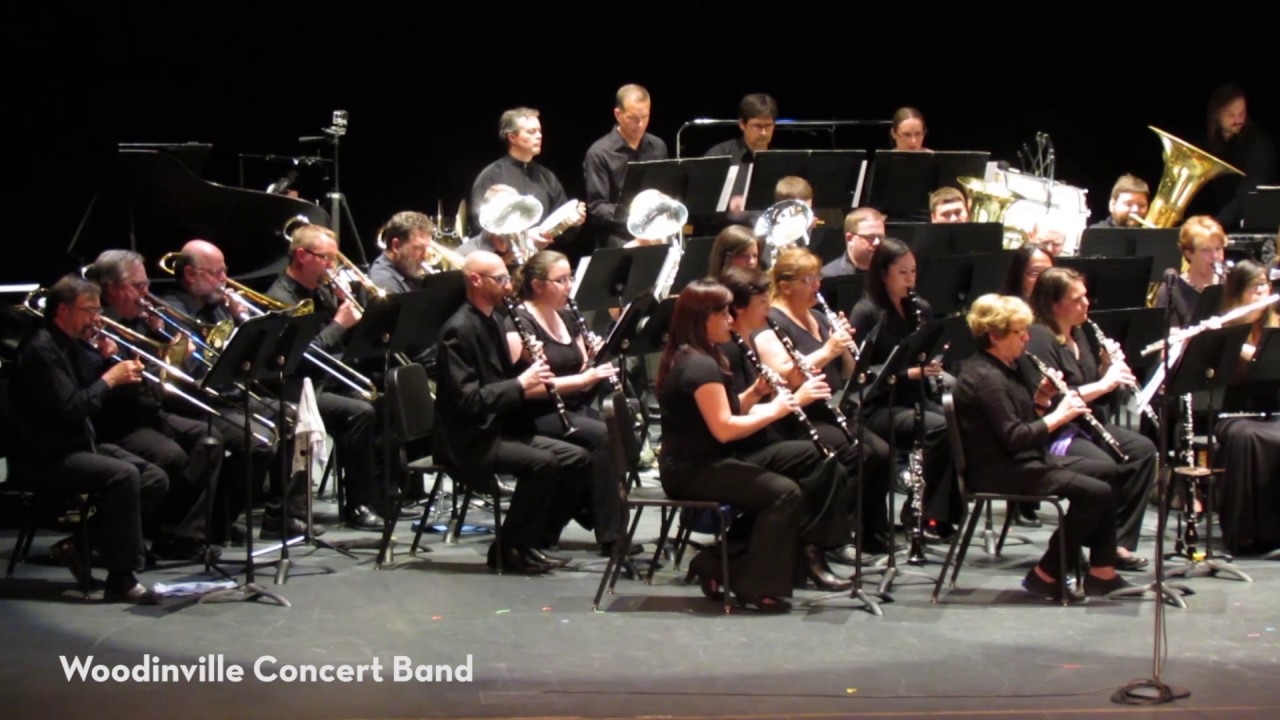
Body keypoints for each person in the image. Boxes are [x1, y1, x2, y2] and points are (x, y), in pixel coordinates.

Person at [954, 293, 1130, 600]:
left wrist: (1042, 401)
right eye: (1019, 332)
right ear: (994, 335)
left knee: (1108, 471)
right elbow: (1014, 437)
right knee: (1095, 493)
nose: (1026, 338)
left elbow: (1022, 422)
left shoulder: (1010, 366)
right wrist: (1060, 416)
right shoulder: (984, 377)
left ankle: (1102, 571)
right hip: (999, 469)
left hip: (1023, 460)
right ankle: (1046, 573)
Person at [656, 279, 812, 612]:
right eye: (723, 313)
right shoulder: (700, 366)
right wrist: (779, 409)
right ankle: (752, 584)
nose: (730, 320)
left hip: (701, 462)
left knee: (795, 478)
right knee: (784, 493)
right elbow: (725, 429)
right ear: (704, 319)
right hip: (692, 470)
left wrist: (755, 394)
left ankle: (717, 565)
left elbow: (722, 411)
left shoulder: (697, 356)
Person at [10, 275, 168, 603]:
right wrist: (110, 378)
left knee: (154, 477)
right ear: (63, 310)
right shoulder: (41, 349)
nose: (97, 318)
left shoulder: (73, 345)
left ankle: (81, 546)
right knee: (124, 475)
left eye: (98, 310)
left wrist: (107, 359)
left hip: (79, 443)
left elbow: (92, 391)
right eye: (89, 311)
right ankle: (121, 578)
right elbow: (72, 408)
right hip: (47, 454)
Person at [434, 251, 591, 573]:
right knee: (542, 463)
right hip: (468, 439)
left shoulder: (492, 319)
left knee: (577, 458)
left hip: (496, 428)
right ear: (476, 280)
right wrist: (521, 383)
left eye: (508, 277)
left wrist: (529, 369)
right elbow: (468, 401)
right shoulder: (458, 330)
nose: (508, 286)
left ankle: (532, 541)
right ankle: (507, 549)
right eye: (500, 279)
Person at [723, 265, 889, 563]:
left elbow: (851, 374)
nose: (767, 309)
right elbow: (732, 412)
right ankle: (820, 544)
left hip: (783, 420)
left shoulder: (753, 338)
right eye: (808, 278)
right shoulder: (739, 345)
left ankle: (851, 534)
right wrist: (789, 394)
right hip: (761, 434)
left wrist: (843, 346)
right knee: (831, 460)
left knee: (873, 451)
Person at [87, 250, 222, 560]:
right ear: (111, 288)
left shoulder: (141, 322)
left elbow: (158, 383)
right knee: (171, 456)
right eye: (137, 286)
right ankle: (154, 530)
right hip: (114, 422)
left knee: (209, 439)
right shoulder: (95, 324)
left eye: (146, 284)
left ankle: (186, 535)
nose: (145, 293)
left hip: (149, 412)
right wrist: (105, 361)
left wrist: (161, 341)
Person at [1025, 268, 1157, 570]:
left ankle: (1119, 543)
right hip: (1057, 431)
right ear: (1054, 304)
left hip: (1086, 424)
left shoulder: (1080, 333)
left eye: (1086, 296)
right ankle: (1096, 545)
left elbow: (1095, 393)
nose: (1086, 304)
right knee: (1105, 465)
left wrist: (1106, 368)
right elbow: (1056, 398)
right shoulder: (1040, 339)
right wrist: (1103, 383)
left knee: (1142, 451)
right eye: (1077, 299)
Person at [164, 239, 292, 544]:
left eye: (224, 271)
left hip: (229, 395)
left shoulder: (219, 309)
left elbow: (245, 361)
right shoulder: (172, 309)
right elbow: (189, 374)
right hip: (196, 403)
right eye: (215, 272)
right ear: (191, 276)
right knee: (259, 443)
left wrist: (240, 320)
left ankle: (271, 515)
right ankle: (220, 517)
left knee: (289, 417)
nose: (224, 279)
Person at [267, 224, 385, 533]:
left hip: (327, 380)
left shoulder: (321, 290)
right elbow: (301, 354)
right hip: (297, 386)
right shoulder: (280, 297)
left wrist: (353, 299)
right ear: (303, 256)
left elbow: (350, 336)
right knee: (359, 413)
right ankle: (351, 505)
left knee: (382, 402)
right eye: (327, 258)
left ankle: (378, 495)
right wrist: (338, 323)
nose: (332, 266)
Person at [507, 251, 620, 554]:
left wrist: (596, 359)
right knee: (604, 438)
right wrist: (584, 380)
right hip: (535, 411)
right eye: (561, 280)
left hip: (570, 406)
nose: (569, 286)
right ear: (537, 284)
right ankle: (611, 533)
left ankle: (579, 510)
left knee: (621, 424)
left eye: (570, 277)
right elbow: (530, 387)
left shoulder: (569, 315)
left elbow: (581, 367)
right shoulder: (519, 322)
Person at [847, 239, 961, 539]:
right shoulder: (866, 312)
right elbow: (862, 373)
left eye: (913, 272)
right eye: (902, 273)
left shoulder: (919, 308)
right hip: (878, 405)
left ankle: (929, 510)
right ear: (883, 273)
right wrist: (910, 372)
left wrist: (932, 363)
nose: (911, 280)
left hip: (914, 397)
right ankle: (920, 510)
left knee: (958, 421)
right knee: (938, 427)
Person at [1213, 261, 1280, 554]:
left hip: (1272, 410)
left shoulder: (1275, 325)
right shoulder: (1225, 328)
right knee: (1248, 439)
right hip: (1235, 414)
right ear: (1239, 293)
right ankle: (1248, 535)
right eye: (1255, 287)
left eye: (1265, 285)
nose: (1263, 291)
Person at [469, 108, 585, 252]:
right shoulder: (491, 176)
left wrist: (573, 221)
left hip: (543, 259)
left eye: (539, 131)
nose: (539, 136)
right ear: (512, 137)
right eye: (531, 132)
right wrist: (526, 237)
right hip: (505, 262)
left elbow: (562, 229)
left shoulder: (546, 176)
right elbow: (482, 228)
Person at [583, 84, 668, 249]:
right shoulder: (599, 153)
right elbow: (597, 207)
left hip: (656, 231)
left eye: (645, 117)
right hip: (619, 236)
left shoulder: (658, 146)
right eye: (633, 118)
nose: (640, 124)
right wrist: (635, 216)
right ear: (618, 114)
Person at [1201, 83, 1276, 230]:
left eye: (1242, 113)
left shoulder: (1257, 143)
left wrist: (1218, 221)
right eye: (1231, 114)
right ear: (1217, 114)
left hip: (1243, 225)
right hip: (1211, 223)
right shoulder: (1205, 141)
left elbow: (1249, 192)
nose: (1238, 120)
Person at [704, 93, 778, 216]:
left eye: (768, 126)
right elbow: (703, 197)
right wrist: (729, 203)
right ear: (742, 124)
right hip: (728, 230)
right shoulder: (720, 154)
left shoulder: (779, 160)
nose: (764, 133)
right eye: (757, 126)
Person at [1154, 215, 1226, 329]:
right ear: (1188, 253)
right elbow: (1169, 340)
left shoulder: (1230, 284)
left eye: (1218, 248)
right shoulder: (1171, 291)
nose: (1215, 256)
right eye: (1206, 250)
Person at [368, 211, 435, 293]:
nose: (425, 255)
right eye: (418, 248)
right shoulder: (385, 281)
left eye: (427, 247)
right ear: (396, 246)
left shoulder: (406, 269)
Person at [821, 208, 885, 278]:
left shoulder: (890, 271)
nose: (877, 242)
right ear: (850, 238)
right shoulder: (828, 276)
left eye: (880, 237)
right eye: (870, 237)